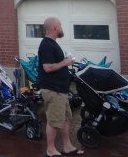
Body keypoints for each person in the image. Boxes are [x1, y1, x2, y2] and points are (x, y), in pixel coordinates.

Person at [37, 16, 84, 157]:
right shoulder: (46, 45)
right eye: (60, 25)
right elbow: (47, 67)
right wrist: (65, 63)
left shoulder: (52, 43)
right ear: (55, 28)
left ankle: (67, 146)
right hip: (53, 90)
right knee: (54, 121)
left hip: (60, 90)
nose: (62, 27)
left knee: (65, 119)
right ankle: (50, 150)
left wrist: (64, 62)